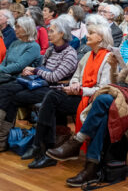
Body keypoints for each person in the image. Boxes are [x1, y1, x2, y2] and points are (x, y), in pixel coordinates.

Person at [48, 29, 128, 187]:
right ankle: (91, 167)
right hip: (121, 96)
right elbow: (117, 83)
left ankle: (78, 142)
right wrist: (113, 67)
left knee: (103, 99)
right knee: (104, 114)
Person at [0, 15, 78, 153]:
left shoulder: (70, 54)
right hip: (40, 83)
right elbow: (44, 71)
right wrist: (32, 73)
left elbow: (54, 77)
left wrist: (35, 70)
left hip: (53, 89)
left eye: (52, 31)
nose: (48, 33)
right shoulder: (50, 50)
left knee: (12, 95)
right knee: (7, 89)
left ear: (62, 34)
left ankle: (1, 137)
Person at [28, 22, 113, 168]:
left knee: (51, 99)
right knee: (52, 96)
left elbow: (104, 88)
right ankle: (45, 149)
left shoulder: (109, 58)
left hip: (93, 99)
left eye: (91, 33)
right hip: (79, 93)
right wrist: (74, 84)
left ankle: (41, 149)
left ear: (101, 38)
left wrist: (80, 90)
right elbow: (76, 76)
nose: (87, 36)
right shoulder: (87, 55)